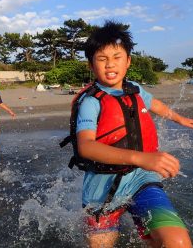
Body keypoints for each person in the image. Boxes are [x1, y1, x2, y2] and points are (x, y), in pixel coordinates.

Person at [66, 21, 193, 247]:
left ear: (128, 61)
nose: (110, 64)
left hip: (141, 178)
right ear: (91, 65)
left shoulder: (135, 88)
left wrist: (181, 119)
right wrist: (141, 157)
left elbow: (156, 104)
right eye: (102, 59)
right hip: (102, 190)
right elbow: (86, 146)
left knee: (177, 242)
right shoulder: (90, 102)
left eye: (116, 57)